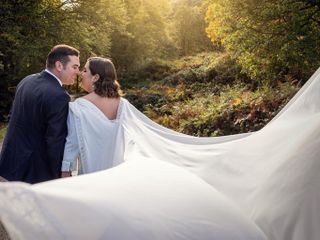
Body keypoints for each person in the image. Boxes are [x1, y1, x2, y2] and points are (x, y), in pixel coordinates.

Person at [0, 44, 80, 183]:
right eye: (75, 67)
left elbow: (15, 118)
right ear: (59, 66)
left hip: (9, 163)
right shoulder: (59, 96)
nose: (77, 72)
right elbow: (55, 141)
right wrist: (59, 175)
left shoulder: (27, 80)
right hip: (34, 173)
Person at [61, 57, 124, 177]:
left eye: (85, 70)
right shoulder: (123, 105)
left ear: (95, 77)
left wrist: (66, 172)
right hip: (119, 175)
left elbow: (72, 144)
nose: (80, 73)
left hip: (91, 177)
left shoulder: (79, 107)